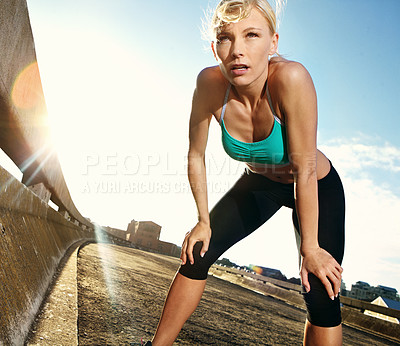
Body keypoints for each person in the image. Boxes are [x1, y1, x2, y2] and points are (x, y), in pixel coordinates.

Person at [149, 0, 345, 345]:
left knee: (319, 290)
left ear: (273, 43)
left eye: (251, 35)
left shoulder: (290, 78)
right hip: (260, 183)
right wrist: (203, 221)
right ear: (215, 47)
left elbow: (305, 168)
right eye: (226, 38)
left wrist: (310, 248)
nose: (237, 50)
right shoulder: (209, 84)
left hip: (315, 183)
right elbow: (196, 155)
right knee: (198, 251)